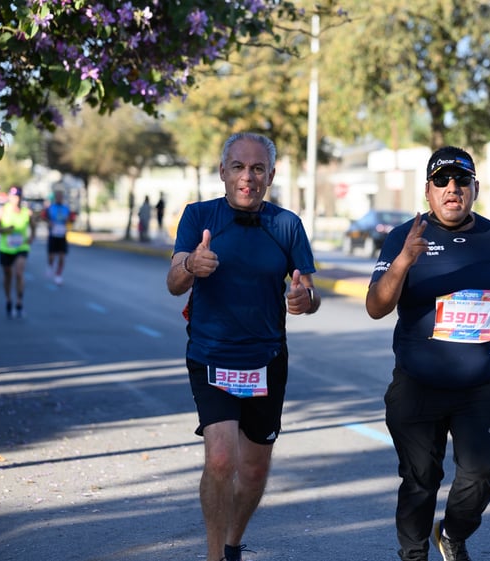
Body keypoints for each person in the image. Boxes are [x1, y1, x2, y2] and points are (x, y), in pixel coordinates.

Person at [366, 146, 490, 561]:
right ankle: (413, 555)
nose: (452, 188)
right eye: (442, 181)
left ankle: (452, 532)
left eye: (461, 181)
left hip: (478, 386)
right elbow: (376, 307)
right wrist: (404, 261)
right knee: (420, 480)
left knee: (482, 473)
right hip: (417, 385)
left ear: (475, 188)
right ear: (427, 190)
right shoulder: (404, 237)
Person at [166, 132, 321, 561]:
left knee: (253, 471)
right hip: (210, 355)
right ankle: (215, 556)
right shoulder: (199, 215)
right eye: (238, 167)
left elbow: (309, 290)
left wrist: (304, 300)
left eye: (257, 169)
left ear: (270, 175)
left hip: (266, 360)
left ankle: (233, 543)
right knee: (220, 459)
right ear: (222, 172)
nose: (247, 177)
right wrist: (193, 266)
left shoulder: (286, 224)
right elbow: (174, 280)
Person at [0, 186, 35, 318]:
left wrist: (31, 238)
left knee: (18, 273)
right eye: (13, 196)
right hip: (5, 248)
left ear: (21, 198)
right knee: (8, 275)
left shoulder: (26, 212)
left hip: (21, 247)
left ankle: (19, 301)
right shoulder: (3, 211)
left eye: (18, 196)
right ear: (9, 198)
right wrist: (6, 230)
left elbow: (34, 227)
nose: (15, 199)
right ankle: (8, 299)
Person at [42, 189, 74, 285]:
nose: (60, 198)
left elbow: (71, 219)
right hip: (53, 235)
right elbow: (43, 217)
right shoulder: (50, 208)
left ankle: (58, 275)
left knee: (62, 257)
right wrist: (49, 223)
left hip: (62, 235)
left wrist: (69, 222)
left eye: (61, 197)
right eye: (58, 197)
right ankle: (50, 265)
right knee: (51, 256)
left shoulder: (66, 208)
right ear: (55, 198)